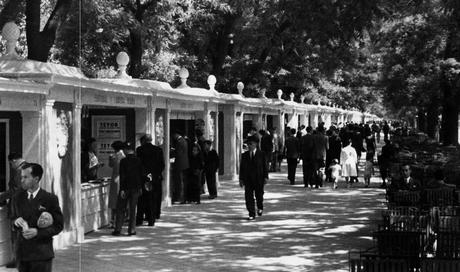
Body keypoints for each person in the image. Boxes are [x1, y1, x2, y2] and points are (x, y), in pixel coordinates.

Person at [12, 163, 63, 272]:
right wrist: (15, 222)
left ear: (36, 179)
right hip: (22, 254)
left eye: (26, 177)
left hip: (41, 254)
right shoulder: (17, 198)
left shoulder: (50, 199)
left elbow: (58, 226)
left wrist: (38, 232)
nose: (22, 180)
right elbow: (13, 218)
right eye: (21, 177)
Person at [0, 153, 26, 268]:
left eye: (11, 164)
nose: (11, 167)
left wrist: (1, 196)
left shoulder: (19, 171)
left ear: (14, 160)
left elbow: (15, 190)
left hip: (18, 208)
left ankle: (18, 260)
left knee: (17, 234)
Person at [112, 142, 144, 236]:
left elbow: (123, 176)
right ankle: (132, 230)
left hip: (125, 188)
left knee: (121, 208)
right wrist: (140, 187)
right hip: (136, 188)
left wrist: (121, 189)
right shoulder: (138, 160)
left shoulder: (124, 161)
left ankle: (118, 229)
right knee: (133, 209)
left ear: (126, 150)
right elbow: (141, 175)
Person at [136, 134, 165, 226]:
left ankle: (140, 218)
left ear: (144, 141)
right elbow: (162, 164)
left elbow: (139, 164)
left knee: (142, 199)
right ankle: (152, 218)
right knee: (153, 198)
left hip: (144, 177)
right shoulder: (158, 150)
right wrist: (155, 174)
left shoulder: (140, 150)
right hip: (155, 177)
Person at [239, 136, 268, 220]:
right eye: (248, 144)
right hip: (248, 179)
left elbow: (265, 166)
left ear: (255, 144)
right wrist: (241, 179)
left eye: (251, 144)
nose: (249, 146)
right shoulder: (244, 155)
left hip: (259, 179)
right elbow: (242, 168)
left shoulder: (261, 154)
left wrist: (266, 177)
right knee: (248, 197)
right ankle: (251, 213)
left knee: (259, 196)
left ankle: (260, 207)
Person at [108, 141, 125, 228]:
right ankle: (118, 219)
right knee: (119, 200)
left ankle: (113, 220)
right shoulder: (123, 156)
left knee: (114, 200)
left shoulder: (115, 156)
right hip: (121, 178)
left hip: (116, 179)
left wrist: (111, 159)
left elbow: (110, 165)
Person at [171, 131, 189, 204]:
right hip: (184, 164)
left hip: (180, 164)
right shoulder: (184, 141)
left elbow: (178, 153)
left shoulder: (179, 142)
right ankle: (181, 197)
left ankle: (179, 197)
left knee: (179, 181)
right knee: (181, 181)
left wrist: (172, 151)